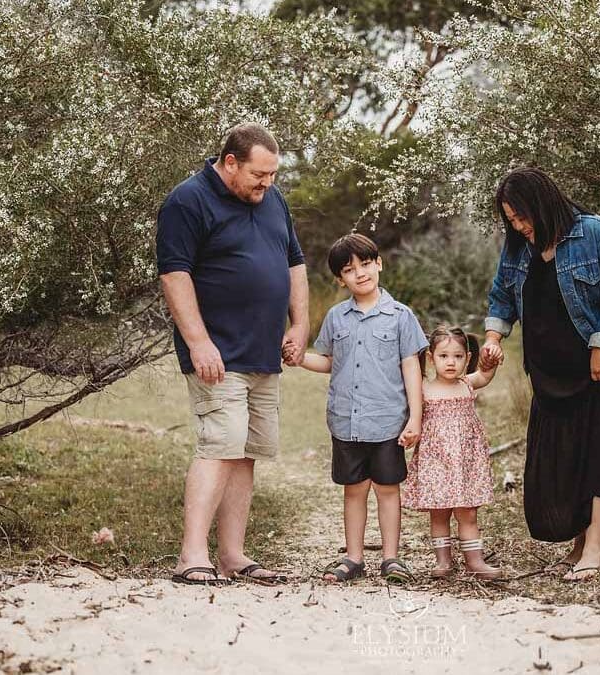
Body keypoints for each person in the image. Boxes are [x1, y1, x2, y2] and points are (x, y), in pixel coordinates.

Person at [156, 123, 308, 585]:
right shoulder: (187, 201)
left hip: (263, 353)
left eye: (273, 175)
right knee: (219, 447)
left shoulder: (271, 200)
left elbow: (293, 263)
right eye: (259, 175)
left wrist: (300, 324)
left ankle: (233, 556)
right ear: (229, 163)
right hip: (218, 354)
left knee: (245, 453)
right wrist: (199, 341)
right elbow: (174, 275)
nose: (267, 183)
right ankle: (191, 556)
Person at [480, 167, 600, 582]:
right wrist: (493, 336)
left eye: (523, 217)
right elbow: (502, 295)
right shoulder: (518, 247)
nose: (519, 226)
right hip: (549, 376)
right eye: (511, 220)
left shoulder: (595, 234)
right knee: (564, 461)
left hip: (599, 368)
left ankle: (596, 549)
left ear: (543, 204)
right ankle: (578, 545)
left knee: (599, 457)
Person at [285, 233, 428, 584]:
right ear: (340, 279)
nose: (360, 273)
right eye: (350, 270)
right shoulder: (336, 318)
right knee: (354, 490)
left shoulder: (400, 316)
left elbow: (412, 369)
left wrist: (415, 417)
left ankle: (392, 558)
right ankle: (353, 558)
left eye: (366, 264)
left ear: (378, 263)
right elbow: (330, 362)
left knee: (388, 489)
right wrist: (300, 358)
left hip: (387, 421)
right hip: (346, 420)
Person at [402, 326, 503, 580]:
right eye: (444, 356)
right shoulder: (424, 389)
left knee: (468, 511)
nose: (451, 362)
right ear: (430, 357)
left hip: (466, 461)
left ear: (467, 359)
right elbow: (412, 417)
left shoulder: (467, 383)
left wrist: (491, 362)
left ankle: (475, 561)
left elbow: (485, 375)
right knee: (439, 512)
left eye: (458, 357)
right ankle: (443, 562)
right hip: (436, 463)